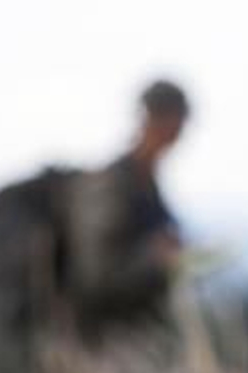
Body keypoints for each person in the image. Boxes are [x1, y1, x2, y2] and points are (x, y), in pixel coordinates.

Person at [65, 78, 190, 344]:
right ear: (153, 120)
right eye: (175, 124)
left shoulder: (149, 186)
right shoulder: (111, 186)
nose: (178, 136)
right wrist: (153, 259)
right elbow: (94, 279)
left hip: (138, 336)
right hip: (100, 344)